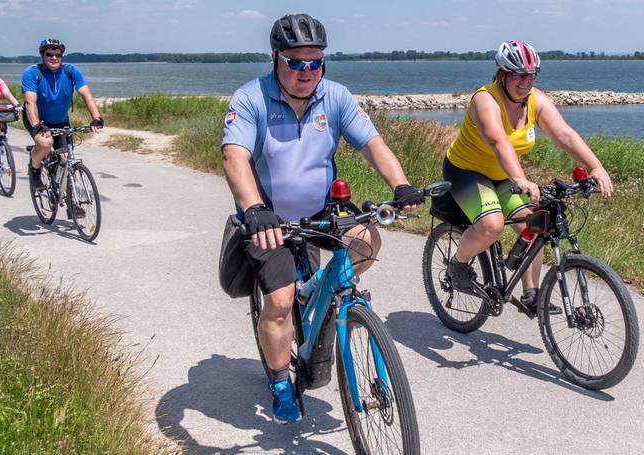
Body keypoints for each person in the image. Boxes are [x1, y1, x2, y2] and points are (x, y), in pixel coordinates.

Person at [221, 13, 424, 424]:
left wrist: (401, 185)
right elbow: (234, 156)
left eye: (314, 62)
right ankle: (280, 382)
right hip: (271, 220)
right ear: (276, 59)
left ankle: (313, 288)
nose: (306, 71)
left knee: (368, 241)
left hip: (320, 214)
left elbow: (372, 144)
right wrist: (254, 209)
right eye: (295, 62)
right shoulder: (251, 98)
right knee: (278, 304)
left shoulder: (335, 97)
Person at [442, 40, 613, 313]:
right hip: (466, 171)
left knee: (536, 224)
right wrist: (521, 179)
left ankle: (530, 294)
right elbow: (499, 142)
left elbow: (565, 134)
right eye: (519, 75)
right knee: (491, 225)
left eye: (531, 75)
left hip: (503, 175)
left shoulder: (536, 101)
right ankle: (458, 266)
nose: (526, 81)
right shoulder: (485, 100)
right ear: (503, 75)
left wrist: (596, 166)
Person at [20, 38, 103, 191]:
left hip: (60, 120)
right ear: (42, 55)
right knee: (46, 144)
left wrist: (96, 118)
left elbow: (86, 94)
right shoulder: (32, 73)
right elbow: (30, 103)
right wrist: (37, 125)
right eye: (49, 54)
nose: (54, 58)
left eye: (58, 55)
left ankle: (71, 202)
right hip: (37, 119)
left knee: (66, 160)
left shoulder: (70, 71)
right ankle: (34, 168)